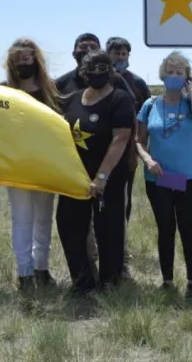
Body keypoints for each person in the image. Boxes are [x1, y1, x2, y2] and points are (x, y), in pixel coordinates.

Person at [56, 50, 135, 295]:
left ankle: (109, 283)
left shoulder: (120, 99)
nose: (97, 73)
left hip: (108, 177)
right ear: (83, 72)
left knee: (108, 229)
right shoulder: (73, 98)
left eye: (103, 69)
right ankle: (82, 281)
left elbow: (120, 139)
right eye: (92, 69)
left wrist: (101, 177)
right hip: (76, 176)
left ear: (110, 71)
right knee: (68, 224)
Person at [136, 51, 192, 297]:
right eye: (171, 71)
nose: (174, 76)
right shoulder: (150, 105)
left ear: (187, 78)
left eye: (180, 73)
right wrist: (147, 158)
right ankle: (167, 281)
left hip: (188, 178)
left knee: (188, 228)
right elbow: (139, 141)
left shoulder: (190, 104)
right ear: (162, 74)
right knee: (165, 228)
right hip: (158, 179)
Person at [1, 38, 61, 291]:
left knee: (44, 219)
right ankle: (24, 272)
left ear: (36, 59)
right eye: (18, 59)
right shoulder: (4, 90)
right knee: (22, 219)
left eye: (27, 57)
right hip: (16, 165)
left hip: (45, 164)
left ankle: (42, 268)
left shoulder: (51, 89)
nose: (23, 62)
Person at [105, 36, 151, 225]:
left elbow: (147, 113)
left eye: (125, 54)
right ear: (107, 54)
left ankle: (121, 245)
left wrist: (140, 147)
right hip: (99, 146)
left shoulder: (137, 83)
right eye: (117, 53)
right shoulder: (96, 79)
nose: (121, 57)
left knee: (124, 196)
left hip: (127, 150)